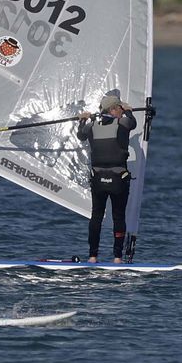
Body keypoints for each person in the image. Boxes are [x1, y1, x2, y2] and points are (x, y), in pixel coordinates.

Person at [77, 94, 137, 263]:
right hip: (118, 180)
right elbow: (132, 123)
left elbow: (81, 135)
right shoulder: (122, 123)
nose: (121, 110)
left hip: (98, 180)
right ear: (112, 110)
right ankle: (117, 258)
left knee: (96, 216)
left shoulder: (91, 126)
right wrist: (129, 111)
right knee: (118, 216)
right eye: (119, 107)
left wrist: (83, 119)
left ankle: (92, 256)